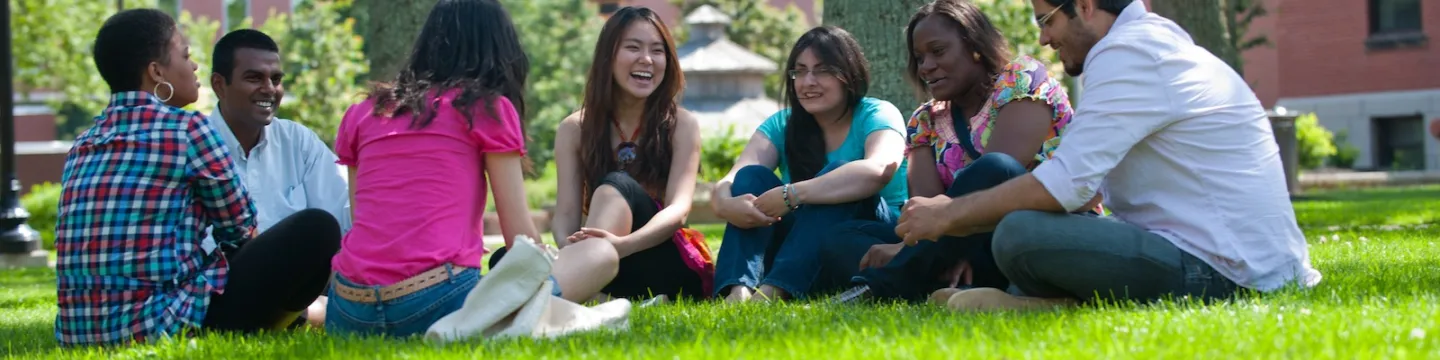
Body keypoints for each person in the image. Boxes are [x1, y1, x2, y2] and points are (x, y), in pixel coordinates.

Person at [895, 0, 1322, 311]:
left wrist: (948, 215)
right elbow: (1084, 191)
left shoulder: (1128, 54)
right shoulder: (1145, 45)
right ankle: (1042, 302)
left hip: (1230, 274)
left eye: (1047, 20)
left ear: (1084, 6)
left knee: (1020, 234)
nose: (1044, 38)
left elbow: (1065, 185)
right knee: (1028, 226)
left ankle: (1055, 304)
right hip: (1235, 261)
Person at [325, 0, 619, 338]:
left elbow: (362, 218)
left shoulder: (361, 113)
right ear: (500, 50)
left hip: (348, 310)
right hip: (432, 302)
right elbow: (521, 240)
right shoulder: (485, 108)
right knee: (600, 254)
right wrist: (557, 279)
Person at [53, 9, 340, 347]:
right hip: (157, 323)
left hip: (76, 331)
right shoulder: (189, 130)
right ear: (156, 72)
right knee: (316, 229)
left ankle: (310, 313)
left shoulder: (84, 142)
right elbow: (240, 231)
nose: (193, 67)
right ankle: (313, 314)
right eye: (186, 56)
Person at [824, 0, 1080, 303]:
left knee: (995, 168)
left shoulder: (1022, 81)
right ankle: (939, 279)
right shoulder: (926, 120)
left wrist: (937, 246)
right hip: (951, 241)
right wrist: (938, 248)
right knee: (842, 238)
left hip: (1024, 231)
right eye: (919, 58)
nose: (926, 66)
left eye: (938, 51)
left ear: (974, 46)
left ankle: (882, 287)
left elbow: (1001, 183)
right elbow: (927, 210)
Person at [710, 26, 910, 302]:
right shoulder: (783, 123)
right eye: (799, 71)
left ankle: (774, 291)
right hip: (801, 244)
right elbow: (733, 178)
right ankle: (738, 290)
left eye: (823, 70)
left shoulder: (877, 113)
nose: (808, 81)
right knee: (752, 176)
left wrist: (793, 194)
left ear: (849, 75)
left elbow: (880, 169)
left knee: (841, 172)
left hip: (861, 238)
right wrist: (724, 202)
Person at [545, 6, 706, 301]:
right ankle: (597, 295)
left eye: (658, 51)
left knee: (614, 187)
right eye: (633, 47)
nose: (646, 59)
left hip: (659, 261)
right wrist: (570, 249)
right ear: (608, 57)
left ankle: (568, 294)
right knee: (507, 256)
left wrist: (618, 246)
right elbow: (566, 213)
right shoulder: (574, 129)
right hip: (602, 256)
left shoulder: (682, 125)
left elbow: (678, 211)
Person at [205, 29, 351, 327]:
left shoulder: (298, 141)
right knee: (315, 226)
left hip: (299, 286)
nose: (269, 89)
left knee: (323, 228)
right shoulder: (195, 146)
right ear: (220, 85)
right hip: (219, 289)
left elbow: (343, 221)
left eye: (276, 79)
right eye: (254, 78)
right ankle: (309, 316)